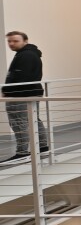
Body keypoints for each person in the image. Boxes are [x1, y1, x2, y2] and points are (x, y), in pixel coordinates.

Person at [2, 31, 48, 164]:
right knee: (33, 120)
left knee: (18, 122)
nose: (11, 43)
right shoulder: (30, 53)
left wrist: (6, 90)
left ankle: (22, 153)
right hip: (31, 92)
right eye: (9, 41)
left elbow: (19, 77)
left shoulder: (25, 55)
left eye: (15, 41)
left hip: (21, 94)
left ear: (25, 41)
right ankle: (43, 148)